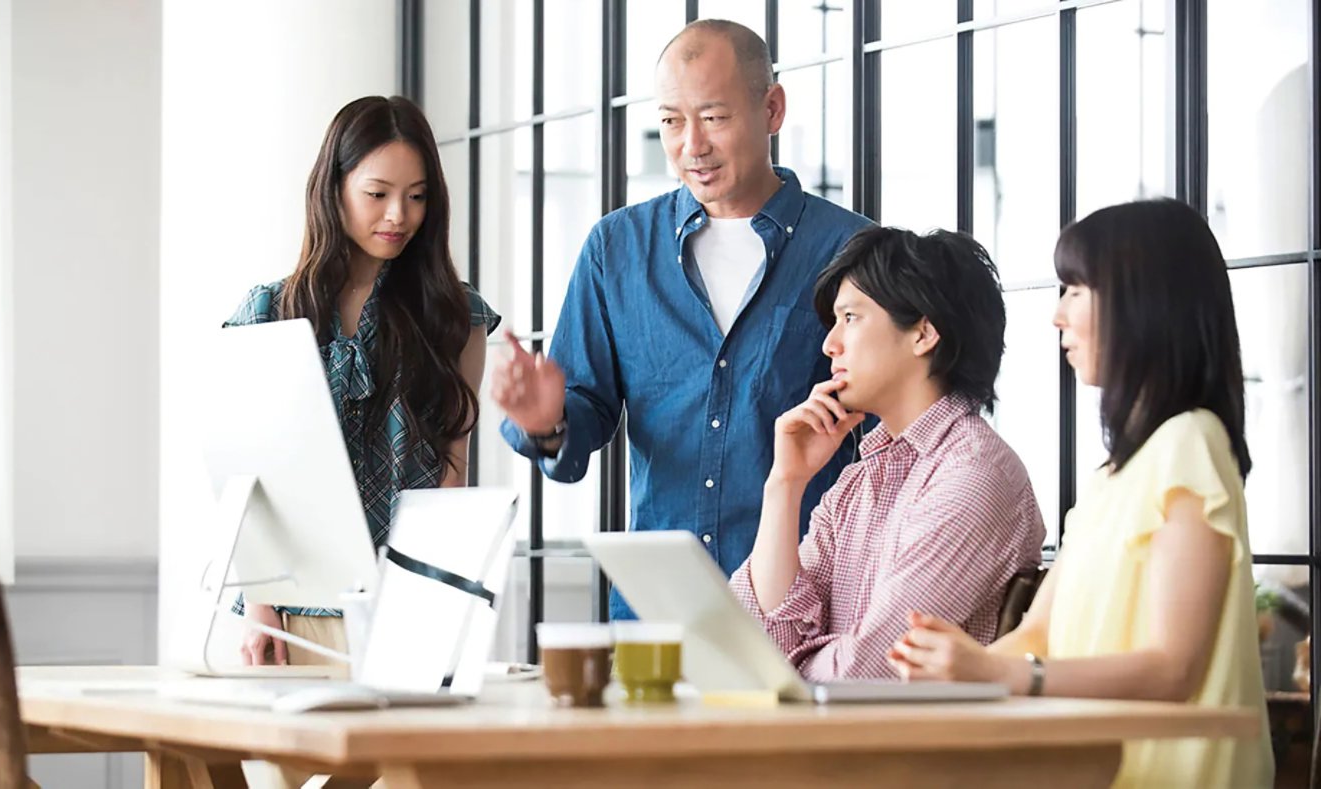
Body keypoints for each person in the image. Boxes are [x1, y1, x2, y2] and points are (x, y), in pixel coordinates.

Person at [490, 20, 873, 619]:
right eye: (671, 120)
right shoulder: (616, 250)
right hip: (657, 615)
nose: (691, 145)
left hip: (805, 612)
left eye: (714, 117)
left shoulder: (851, 250)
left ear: (771, 109)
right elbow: (578, 420)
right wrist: (547, 423)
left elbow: (889, 429)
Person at [889, 199, 1274, 788]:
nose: (1056, 316)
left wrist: (1008, 677)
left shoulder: (1189, 443)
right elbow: (1037, 634)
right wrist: (958, 666)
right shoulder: (1110, 479)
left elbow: (1175, 669)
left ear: (1141, 301)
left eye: (1074, 289)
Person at [224, 95, 501, 667]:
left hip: (407, 610)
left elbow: (453, 468)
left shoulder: (456, 315)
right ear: (335, 188)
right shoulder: (269, 312)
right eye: (378, 194)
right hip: (288, 613)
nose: (399, 214)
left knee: (398, 760)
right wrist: (261, 605)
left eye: (417, 196)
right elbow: (246, 474)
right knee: (282, 759)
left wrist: (436, 604)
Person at [729, 226, 1045, 679]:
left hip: (909, 748)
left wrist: (783, 670)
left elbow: (867, 673)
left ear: (923, 333)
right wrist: (786, 483)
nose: (829, 344)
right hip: (831, 740)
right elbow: (752, 645)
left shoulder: (972, 476)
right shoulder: (863, 478)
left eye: (851, 318)